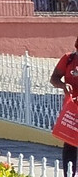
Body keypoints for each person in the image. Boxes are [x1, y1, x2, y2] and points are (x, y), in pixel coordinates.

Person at [50, 35, 78, 175]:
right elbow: (54, 78)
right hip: (72, 111)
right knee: (70, 145)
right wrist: (63, 85)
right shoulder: (68, 59)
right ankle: (69, 174)